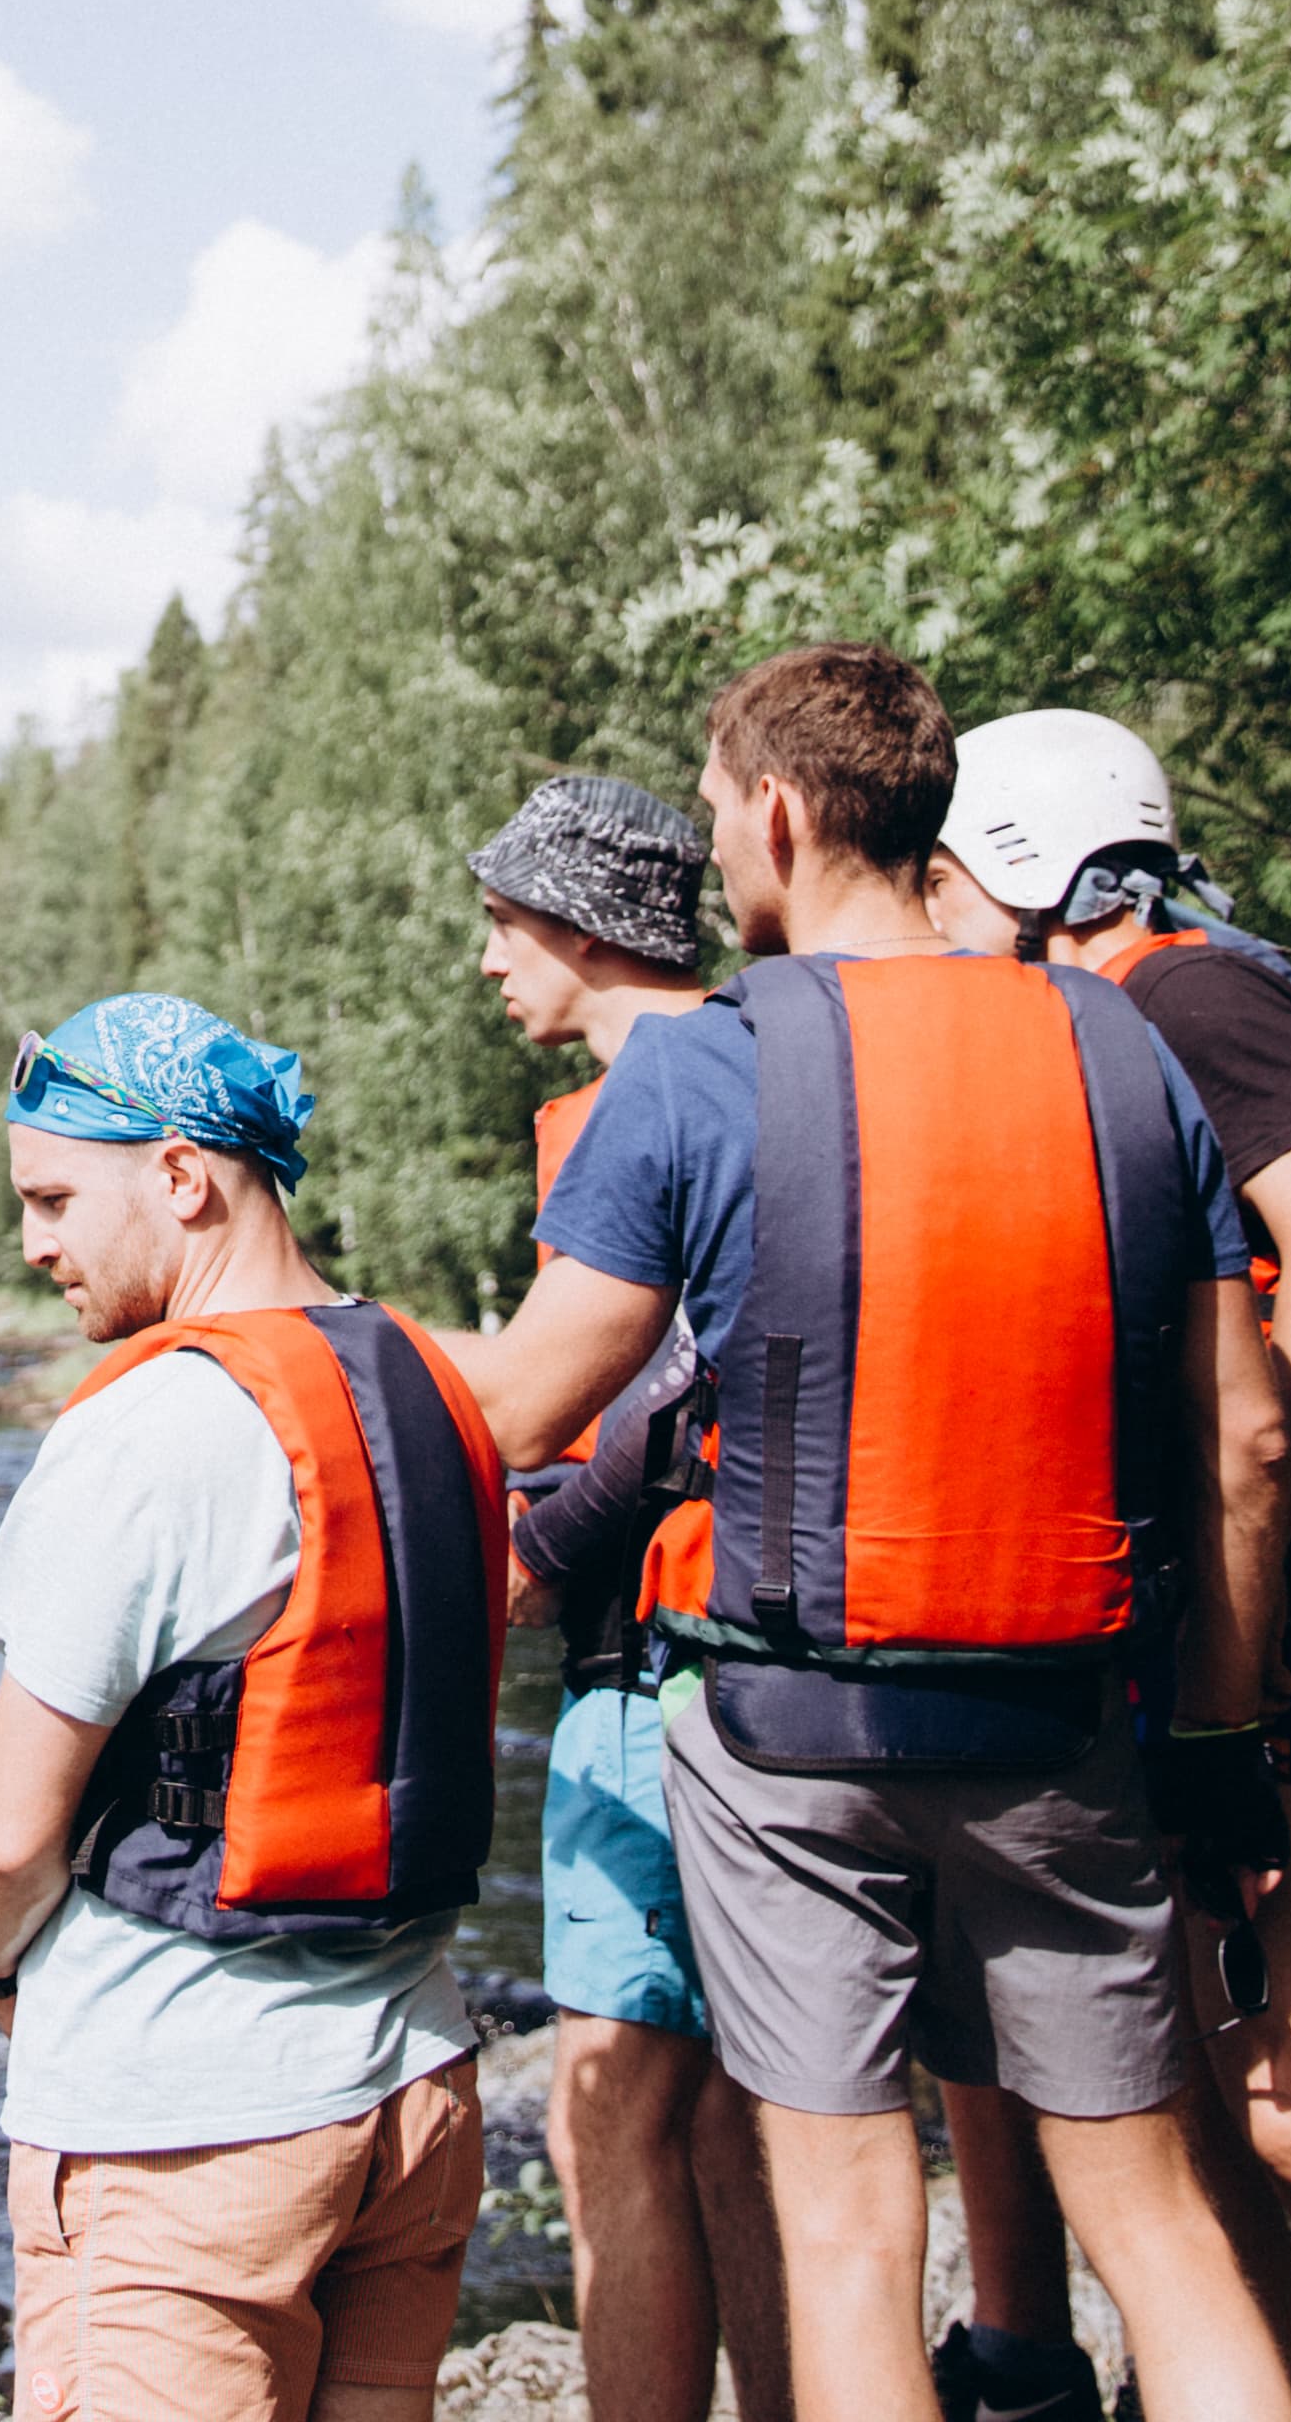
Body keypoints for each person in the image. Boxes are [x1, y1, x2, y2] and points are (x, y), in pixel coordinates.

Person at [440, 643, 1291, 2422]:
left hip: (787, 1732)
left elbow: (528, 1409)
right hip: (1066, 1721)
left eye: (713, 815)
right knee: (1150, 2218)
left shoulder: (700, 1071)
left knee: (842, 2229)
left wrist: (306, 1364)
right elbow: (1248, 1437)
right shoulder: (1125, 1045)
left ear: (775, 815)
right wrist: (1217, 1742)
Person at [914, 711, 1291, 2422]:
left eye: (945, 882)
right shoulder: (1118, 1009)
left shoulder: (1195, 997)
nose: (931, 919)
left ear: (1027, 875)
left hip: (1274, 1629)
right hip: (1194, 1629)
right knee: (1193, 2100)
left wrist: (1253, 1520)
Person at [0, 990, 512, 2422]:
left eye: (58, 1196)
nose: (34, 1244)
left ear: (183, 1176)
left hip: (186, 2123)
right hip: (414, 2097)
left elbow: (10, 1839)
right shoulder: (433, 1382)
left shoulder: (151, 1428)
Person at [470, 773, 794, 2422]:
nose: (487, 962)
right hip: (768, 1649)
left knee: (604, 2097)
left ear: (587, 928)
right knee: (736, 2099)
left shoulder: (650, 1091)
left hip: (656, 1654)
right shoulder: (766, 1060)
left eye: (504, 923)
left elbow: (654, 1390)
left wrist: (533, 1550)